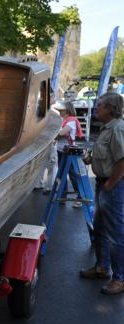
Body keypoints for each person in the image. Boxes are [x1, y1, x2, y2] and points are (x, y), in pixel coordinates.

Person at [80, 92, 124, 295]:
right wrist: (91, 161)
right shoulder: (108, 128)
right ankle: (102, 268)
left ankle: (120, 279)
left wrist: (109, 185)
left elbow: (123, 161)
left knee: (115, 234)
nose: (97, 108)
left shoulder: (117, 128)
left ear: (110, 108)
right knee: (100, 229)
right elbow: (108, 157)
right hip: (104, 184)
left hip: (112, 186)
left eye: (100, 105)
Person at [53, 100, 84, 207]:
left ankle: (80, 197)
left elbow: (62, 133)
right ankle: (63, 196)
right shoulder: (64, 120)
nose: (60, 112)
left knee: (72, 175)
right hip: (62, 150)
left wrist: (53, 135)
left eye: (61, 110)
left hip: (69, 151)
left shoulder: (71, 120)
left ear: (66, 110)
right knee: (62, 174)